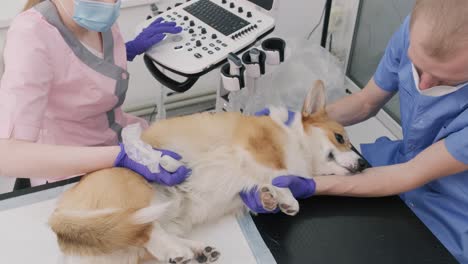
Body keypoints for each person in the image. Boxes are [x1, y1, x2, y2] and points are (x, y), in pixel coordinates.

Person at [241, 0, 468, 262]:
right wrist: (302, 125)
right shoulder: (418, 31)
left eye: (445, 79)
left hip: (452, 209)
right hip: (400, 161)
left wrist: (311, 184)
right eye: (417, 65)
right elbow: (366, 102)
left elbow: (410, 175)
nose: (425, 83)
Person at [0, 0, 190, 186]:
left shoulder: (97, 18)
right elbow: (7, 156)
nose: (108, 4)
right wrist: (121, 156)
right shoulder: (30, 34)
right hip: (70, 165)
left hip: (115, 137)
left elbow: (78, 66)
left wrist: (126, 50)